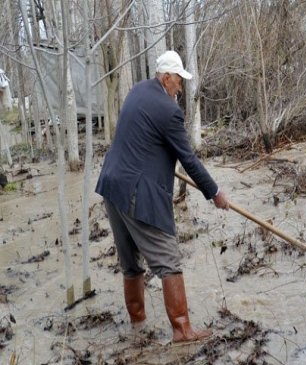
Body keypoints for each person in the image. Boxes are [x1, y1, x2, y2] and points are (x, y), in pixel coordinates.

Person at [95, 50, 230, 343]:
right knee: (169, 261)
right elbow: (189, 160)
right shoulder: (169, 111)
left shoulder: (137, 92)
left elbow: (142, 138)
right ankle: (183, 330)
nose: (179, 88)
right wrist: (215, 192)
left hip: (111, 185)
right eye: (178, 81)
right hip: (135, 191)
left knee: (130, 263)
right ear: (166, 77)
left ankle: (138, 324)